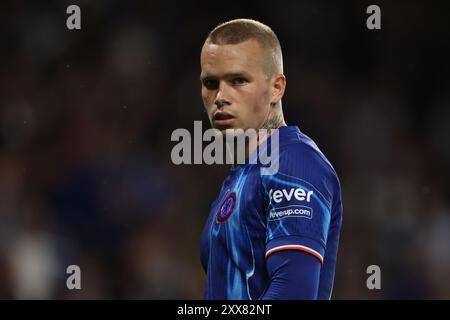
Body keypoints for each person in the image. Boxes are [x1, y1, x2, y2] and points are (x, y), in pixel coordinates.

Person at [199, 18, 343, 299]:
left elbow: (293, 293)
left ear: (276, 88)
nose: (220, 96)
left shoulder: (294, 165)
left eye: (238, 80)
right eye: (211, 82)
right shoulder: (243, 174)